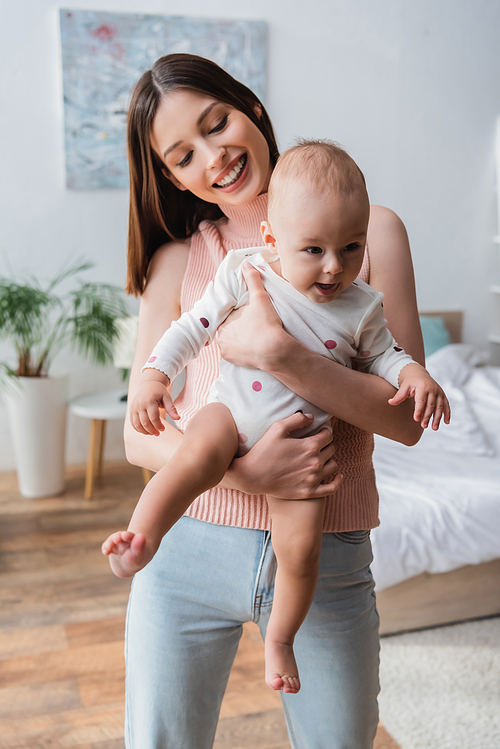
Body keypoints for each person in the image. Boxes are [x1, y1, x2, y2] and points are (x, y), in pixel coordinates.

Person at [120, 53, 430, 749]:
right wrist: (245, 471)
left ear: (252, 108)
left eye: (217, 122)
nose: (214, 155)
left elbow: (406, 422)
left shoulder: (372, 233)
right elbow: (139, 437)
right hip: (189, 552)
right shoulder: (180, 262)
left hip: (327, 554)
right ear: (172, 177)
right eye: (184, 154)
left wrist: (279, 353)